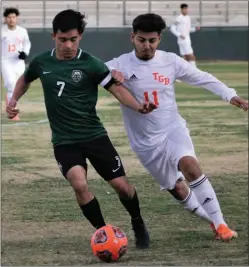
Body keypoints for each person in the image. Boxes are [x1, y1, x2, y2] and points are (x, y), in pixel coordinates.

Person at [6, 9, 158, 249]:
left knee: (122, 187)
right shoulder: (41, 62)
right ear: (53, 36)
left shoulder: (91, 63)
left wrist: (139, 107)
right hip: (64, 140)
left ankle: (137, 222)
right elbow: (25, 79)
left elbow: (117, 89)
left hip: (95, 136)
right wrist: (13, 100)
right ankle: (104, 234)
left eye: (73, 39)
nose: (68, 45)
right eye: (62, 39)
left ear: (81, 37)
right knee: (79, 184)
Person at [106, 13, 248, 242]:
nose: (147, 46)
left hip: (173, 129)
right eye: (142, 40)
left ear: (159, 39)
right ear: (133, 37)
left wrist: (230, 95)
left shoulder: (170, 61)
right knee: (178, 189)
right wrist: (109, 76)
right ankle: (212, 221)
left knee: (190, 165)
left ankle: (222, 224)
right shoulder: (119, 64)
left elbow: (202, 77)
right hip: (145, 143)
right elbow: (91, 74)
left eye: (152, 41)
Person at [2, 7, 31, 121]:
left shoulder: (22, 31)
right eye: (9, 17)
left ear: (16, 18)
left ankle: (10, 100)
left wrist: (25, 53)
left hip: (19, 63)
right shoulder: (2, 31)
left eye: (13, 17)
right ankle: (12, 113)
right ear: (6, 19)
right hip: (5, 62)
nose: (11, 19)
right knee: (11, 86)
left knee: (20, 86)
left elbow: (27, 44)